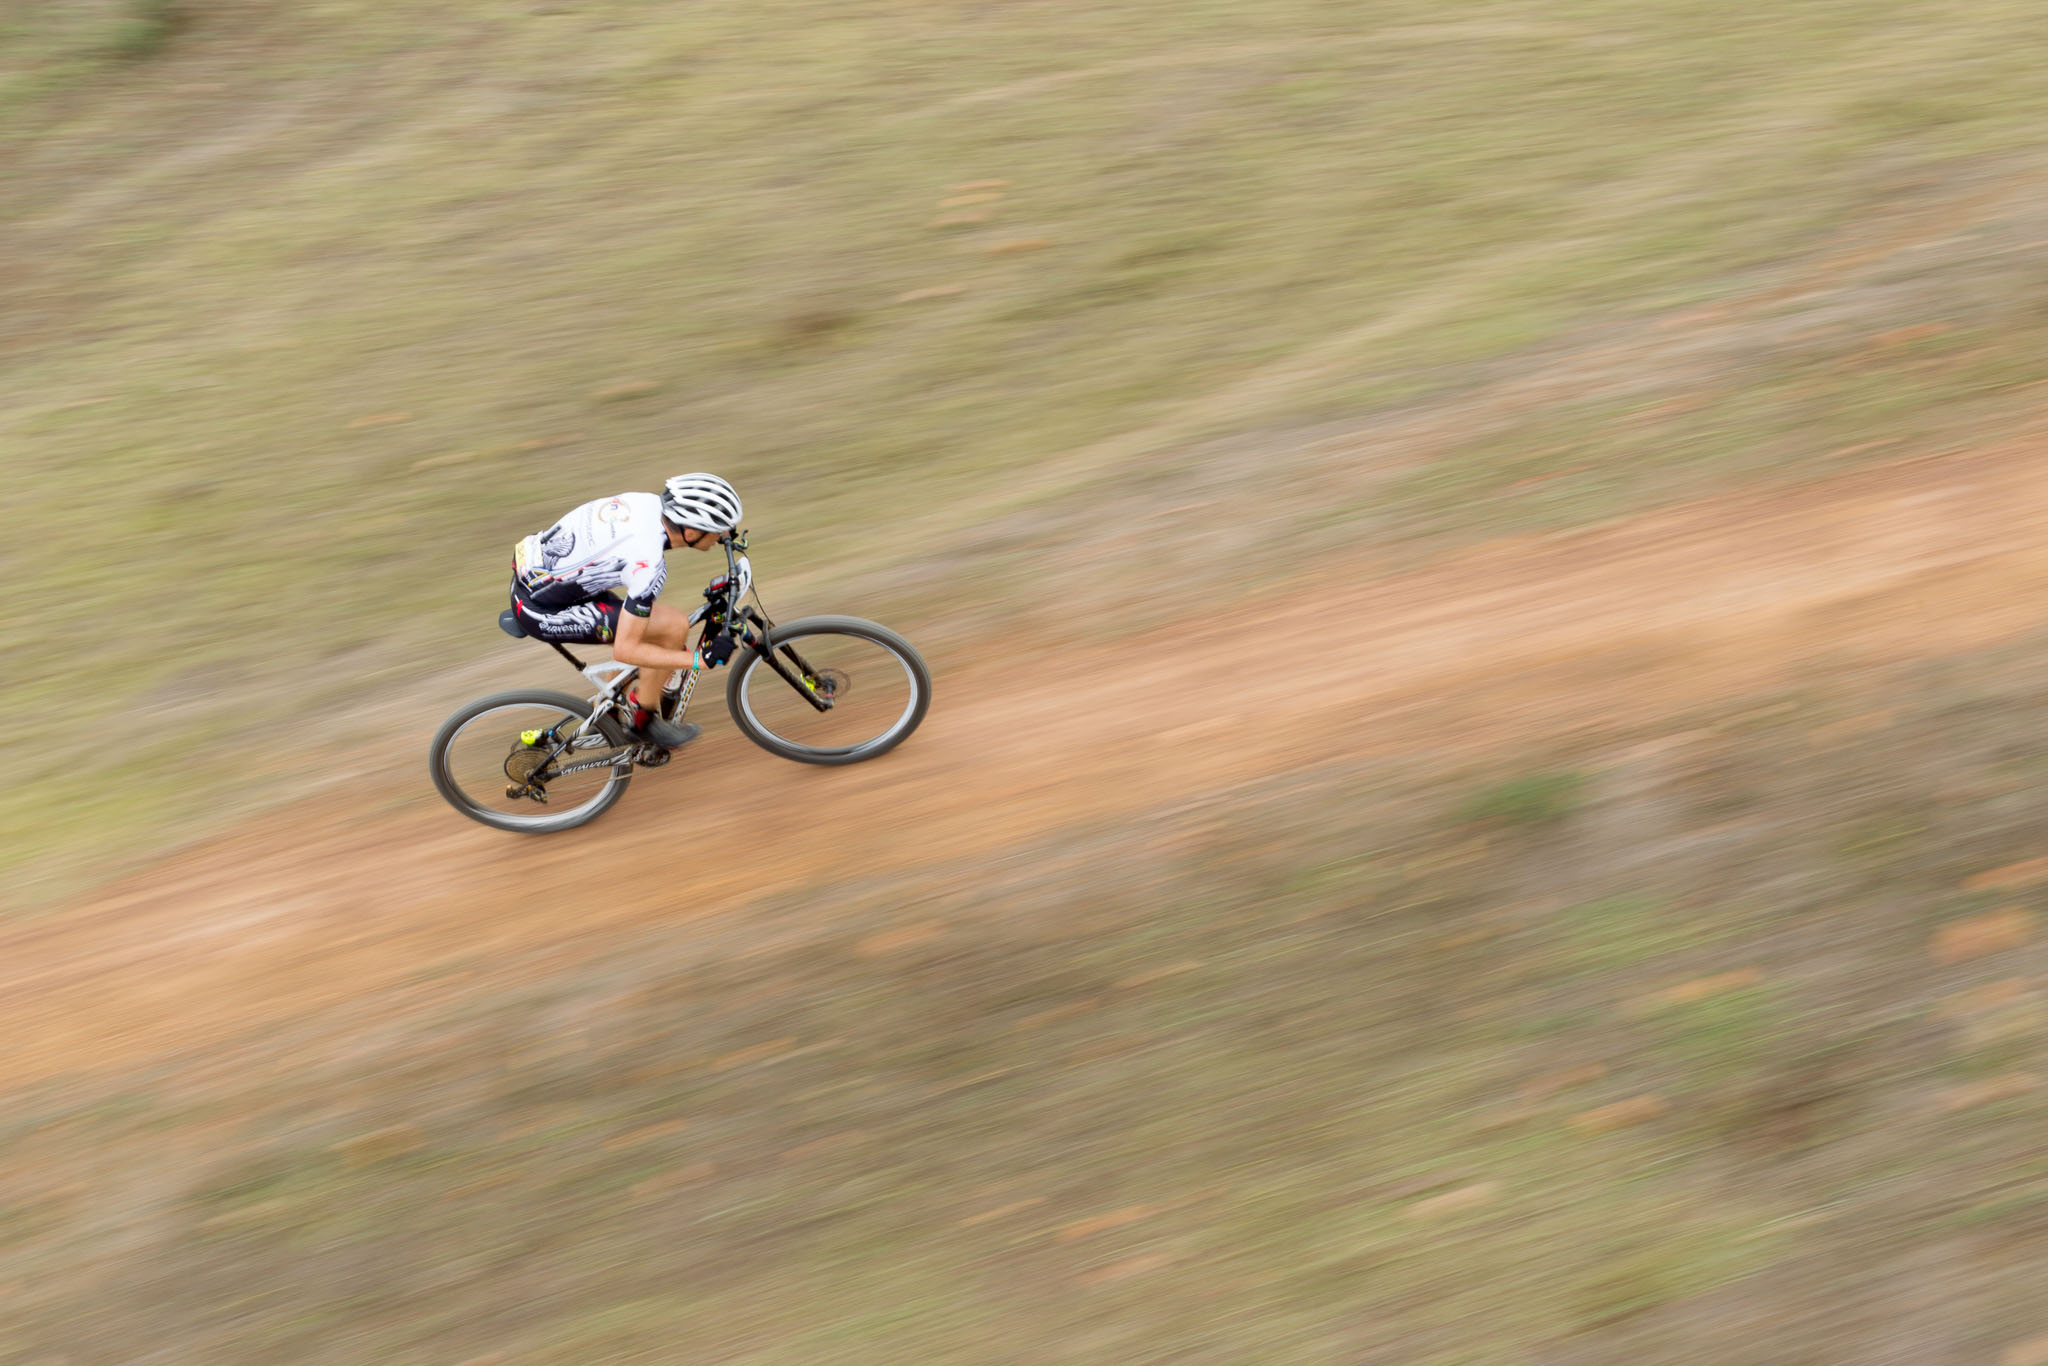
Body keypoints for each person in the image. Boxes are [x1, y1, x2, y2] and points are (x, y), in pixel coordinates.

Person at [508, 472, 743, 749]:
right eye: (719, 529)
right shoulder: (649, 564)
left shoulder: (646, 503)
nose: (723, 535)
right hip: (541, 607)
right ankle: (645, 721)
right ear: (691, 533)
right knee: (671, 627)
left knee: (640, 622)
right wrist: (698, 660)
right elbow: (625, 650)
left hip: (541, 577)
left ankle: (609, 710)